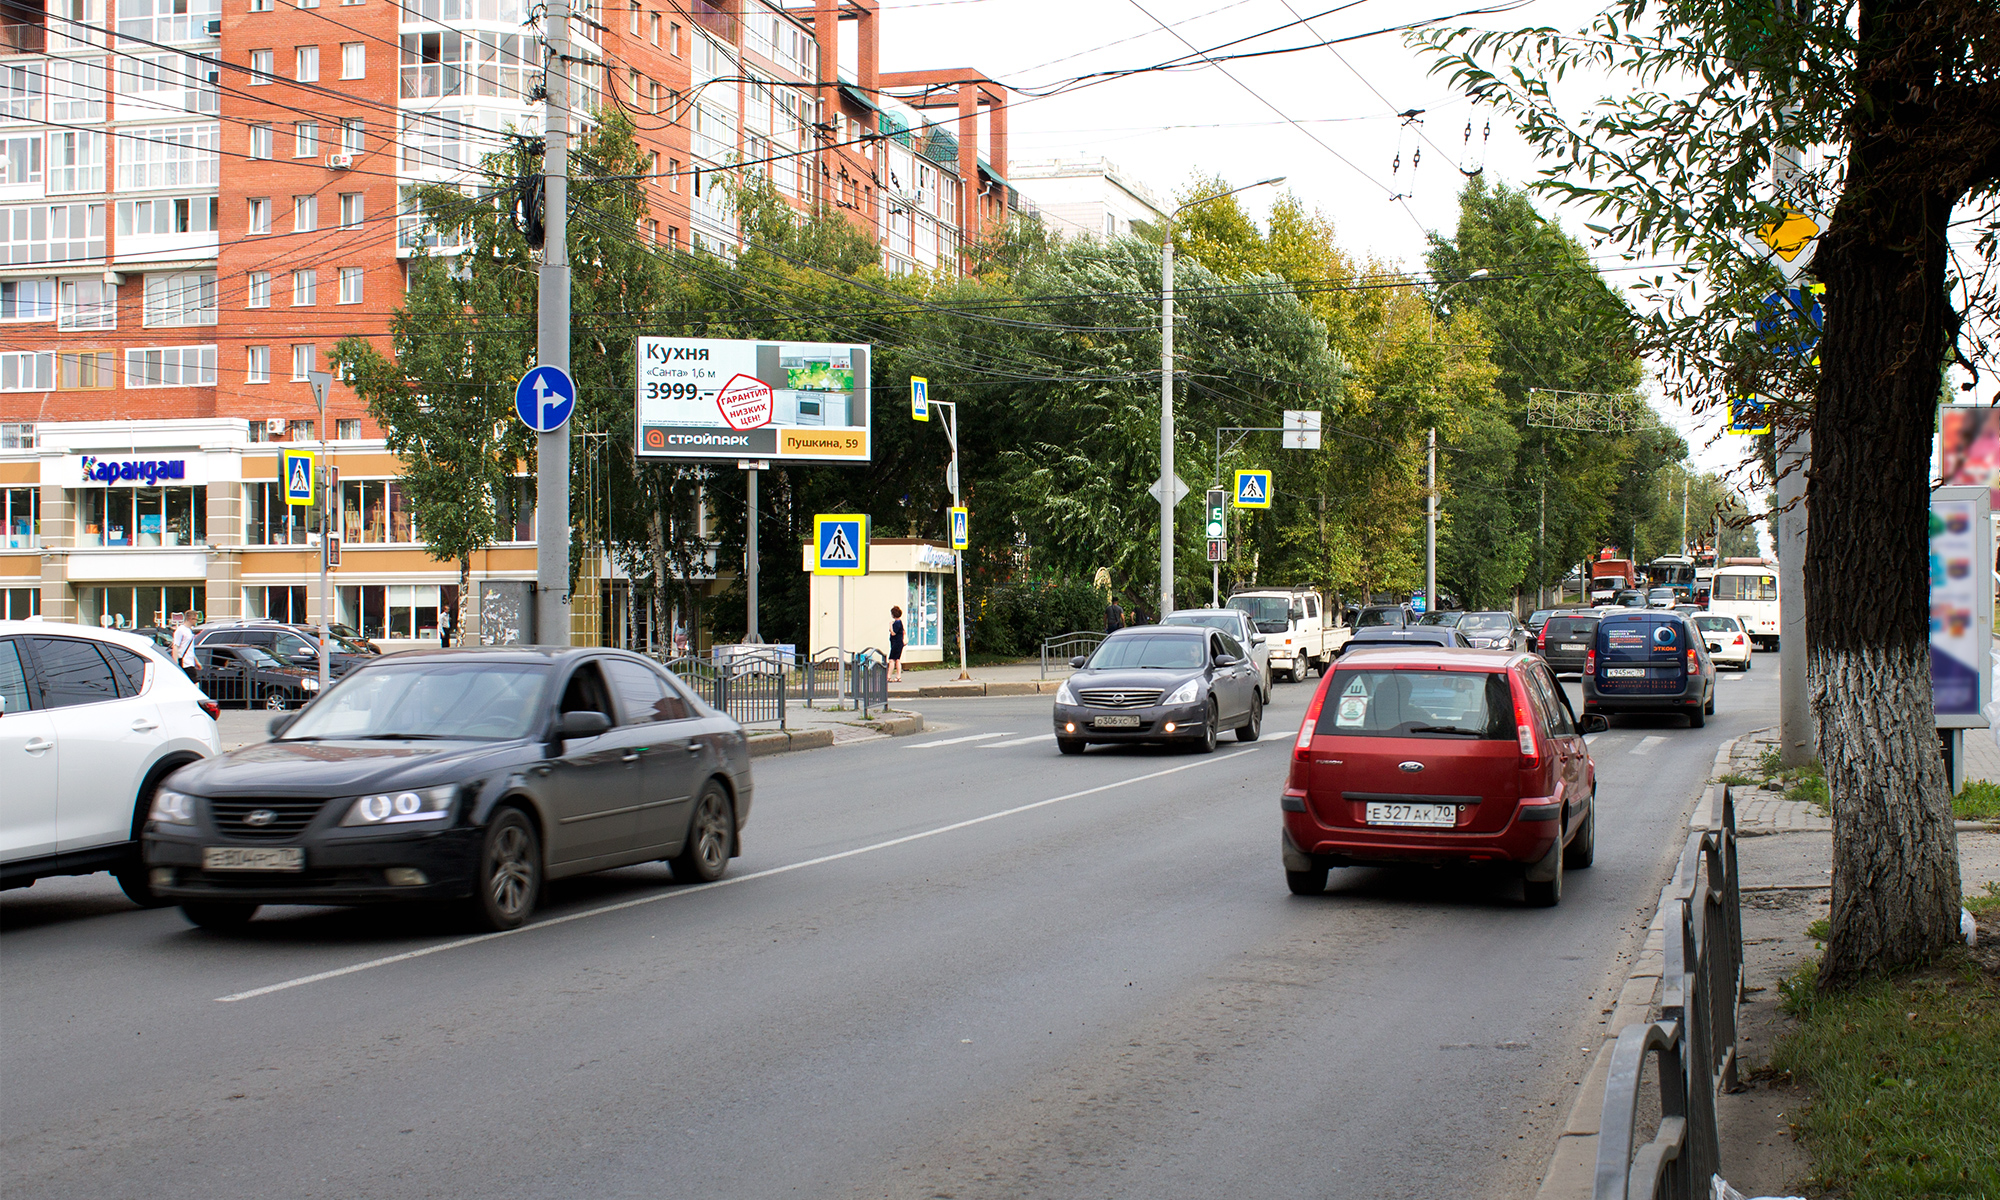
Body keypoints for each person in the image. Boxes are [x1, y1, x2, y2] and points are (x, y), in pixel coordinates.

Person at [887, 606, 905, 681]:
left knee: (891, 660)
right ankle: (898, 676)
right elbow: (903, 632)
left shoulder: (896, 623)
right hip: (899, 643)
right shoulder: (900, 622)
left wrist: (890, 626)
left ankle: (888, 677)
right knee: (897, 660)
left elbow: (893, 633)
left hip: (896, 644)